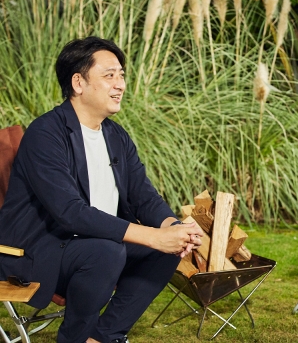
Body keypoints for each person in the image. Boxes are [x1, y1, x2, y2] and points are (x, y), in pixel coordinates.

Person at [0, 37, 204, 343]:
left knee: (163, 250)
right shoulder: (46, 134)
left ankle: (101, 337)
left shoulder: (115, 135)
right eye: (109, 75)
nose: (120, 84)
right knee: (107, 251)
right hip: (37, 251)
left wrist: (173, 228)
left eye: (121, 75)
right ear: (78, 83)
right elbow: (71, 213)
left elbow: (143, 196)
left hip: (92, 245)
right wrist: (153, 236)